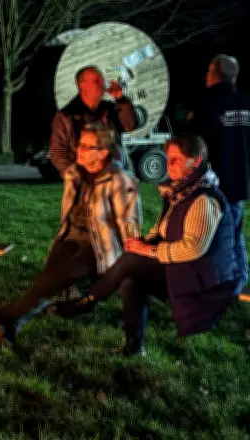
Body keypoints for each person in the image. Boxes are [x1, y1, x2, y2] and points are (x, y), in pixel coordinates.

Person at [50, 135, 247, 356]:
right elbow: (163, 228)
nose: (170, 164)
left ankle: (88, 300)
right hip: (183, 267)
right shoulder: (181, 191)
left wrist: (148, 250)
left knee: (131, 261)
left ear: (197, 161)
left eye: (178, 159)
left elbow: (193, 249)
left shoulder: (203, 199)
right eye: (168, 158)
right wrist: (143, 241)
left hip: (203, 278)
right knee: (130, 280)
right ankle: (134, 347)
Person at [0, 124, 141, 344]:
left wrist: (129, 256)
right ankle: (12, 327)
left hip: (100, 246)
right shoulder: (75, 174)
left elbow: (129, 223)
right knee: (47, 280)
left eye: (87, 146)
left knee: (55, 279)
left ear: (103, 153)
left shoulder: (120, 180)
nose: (79, 150)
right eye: (79, 144)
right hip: (71, 237)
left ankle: (3, 315)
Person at [186, 54, 250, 282]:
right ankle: (240, 277)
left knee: (216, 237)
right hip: (240, 182)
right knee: (234, 232)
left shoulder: (205, 103)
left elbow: (192, 145)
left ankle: (224, 281)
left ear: (213, 73)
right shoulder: (246, 103)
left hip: (213, 184)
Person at [49, 66, 137, 175]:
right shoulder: (67, 116)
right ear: (82, 85)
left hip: (114, 174)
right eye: (97, 81)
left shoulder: (109, 109)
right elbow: (58, 152)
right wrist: (76, 176)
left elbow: (129, 126)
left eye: (102, 79)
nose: (103, 83)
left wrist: (121, 99)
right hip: (86, 178)